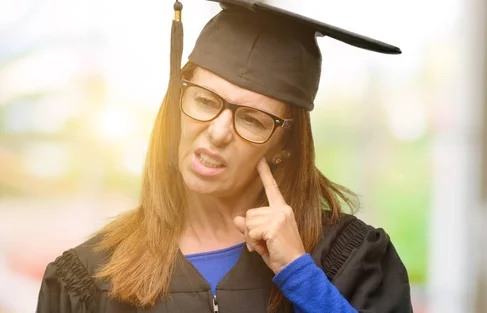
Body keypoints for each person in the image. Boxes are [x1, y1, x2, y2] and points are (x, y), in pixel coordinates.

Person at [35, 0, 413, 312]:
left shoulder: (348, 262)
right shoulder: (90, 278)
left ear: (284, 144)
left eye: (251, 119)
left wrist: (302, 277)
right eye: (204, 99)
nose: (217, 132)